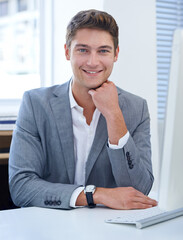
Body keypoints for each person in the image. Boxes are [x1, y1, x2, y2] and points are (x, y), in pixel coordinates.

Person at [9, 9, 157, 210]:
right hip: (49, 226)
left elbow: (140, 190)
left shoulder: (136, 108)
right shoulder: (35, 104)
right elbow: (21, 187)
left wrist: (114, 115)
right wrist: (95, 195)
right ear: (67, 51)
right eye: (83, 50)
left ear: (116, 54)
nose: (92, 62)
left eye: (103, 50)